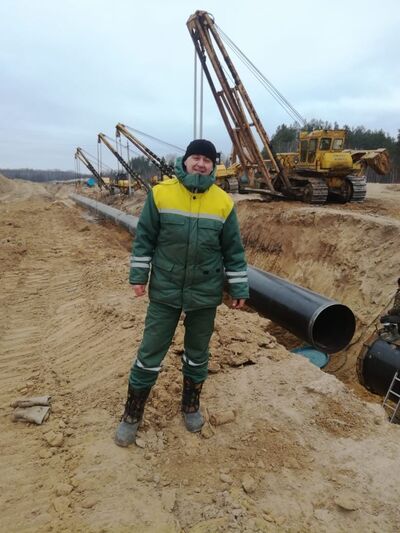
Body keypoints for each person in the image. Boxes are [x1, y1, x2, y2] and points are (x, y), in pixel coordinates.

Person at [115, 139, 249, 447]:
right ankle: (132, 415)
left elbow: (234, 251)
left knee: (198, 354)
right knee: (150, 353)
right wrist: (139, 276)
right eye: (196, 157)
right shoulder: (161, 194)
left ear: (213, 166)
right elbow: (145, 239)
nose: (201, 164)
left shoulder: (223, 202)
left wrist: (239, 286)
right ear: (185, 161)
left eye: (207, 160)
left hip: (205, 292)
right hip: (166, 289)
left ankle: (190, 406)